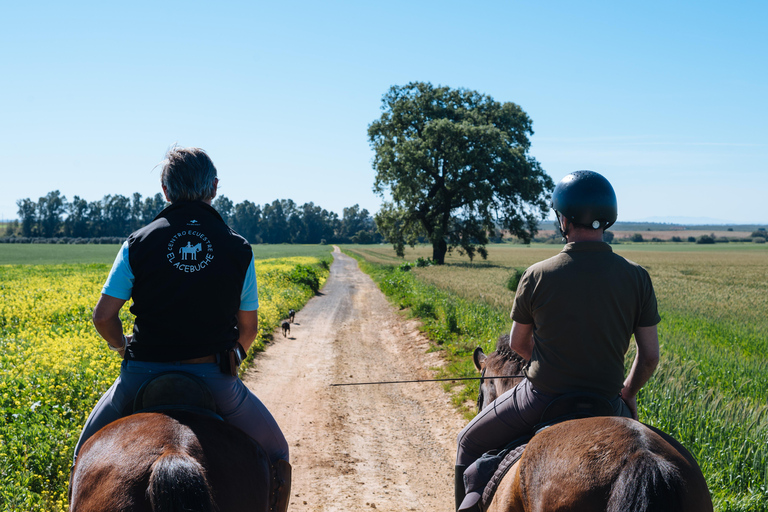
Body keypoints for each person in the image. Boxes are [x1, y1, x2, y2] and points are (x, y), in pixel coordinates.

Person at [73, 146, 291, 510]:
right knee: (276, 452)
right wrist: (235, 353)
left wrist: (123, 348)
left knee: (84, 454)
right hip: (214, 379)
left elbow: (103, 317)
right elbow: (248, 328)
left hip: (140, 375)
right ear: (215, 188)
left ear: (164, 188)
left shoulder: (137, 243)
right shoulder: (238, 248)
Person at [454, 170, 661, 511]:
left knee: (467, 440)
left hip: (541, 397)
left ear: (563, 219)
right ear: (607, 218)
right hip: (608, 400)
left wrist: (552, 361)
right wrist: (628, 392)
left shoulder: (538, 274)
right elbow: (649, 356)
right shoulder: (637, 276)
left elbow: (520, 344)